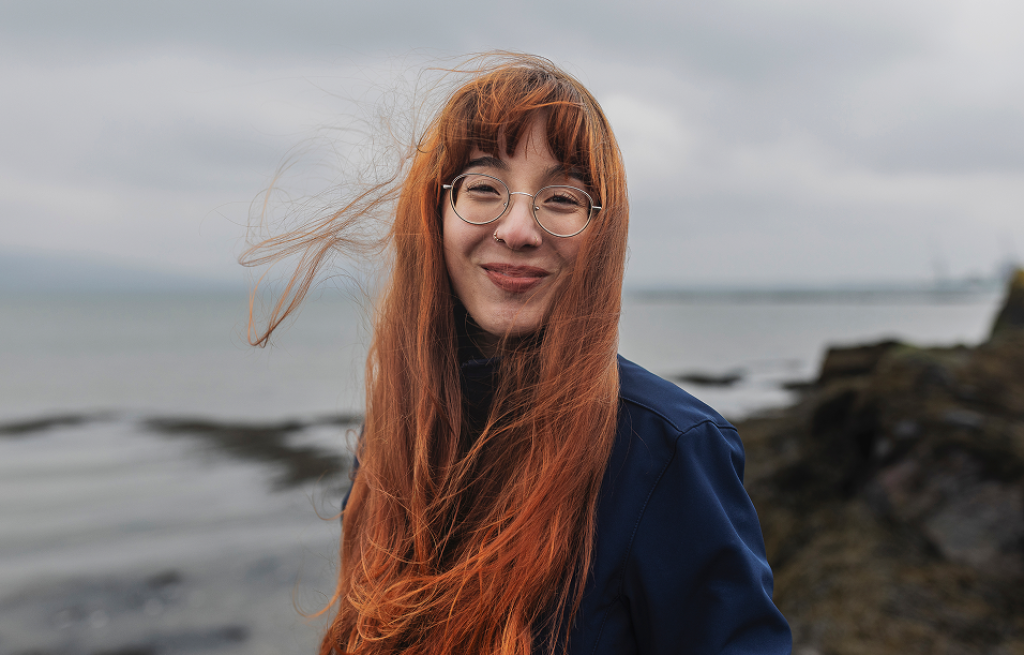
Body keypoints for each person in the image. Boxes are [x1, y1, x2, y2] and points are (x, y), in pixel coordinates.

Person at [244, 54, 791, 655]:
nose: (518, 229)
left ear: (601, 233)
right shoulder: (401, 424)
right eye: (483, 188)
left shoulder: (668, 449)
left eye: (562, 198)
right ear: (434, 214)